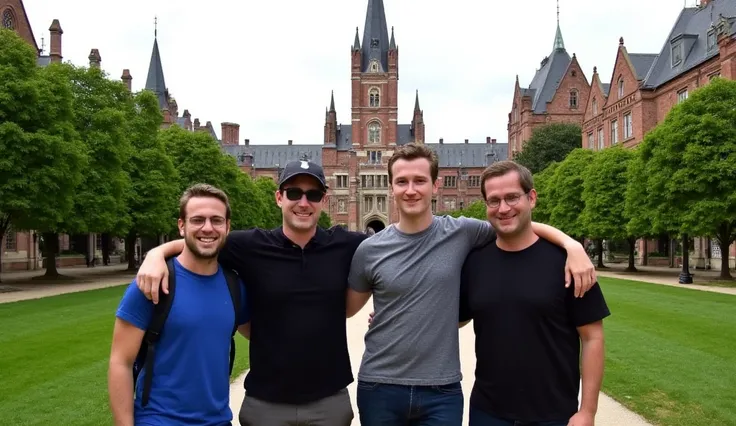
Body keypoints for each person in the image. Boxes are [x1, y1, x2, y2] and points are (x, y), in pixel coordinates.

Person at [345, 144, 597, 426]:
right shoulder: (370, 249)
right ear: (391, 187)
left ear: (436, 185)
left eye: (420, 180)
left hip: (441, 391)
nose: (411, 189)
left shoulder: (462, 232)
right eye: (402, 181)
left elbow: (513, 222)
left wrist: (571, 244)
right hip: (380, 386)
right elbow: (346, 309)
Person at [135, 160, 362, 426]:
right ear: (279, 197)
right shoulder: (250, 246)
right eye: (293, 193)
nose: (303, 202)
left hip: (329, 403)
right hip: (266, 405)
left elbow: (393, 250)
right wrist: (156, 253)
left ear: (324, 200)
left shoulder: (346, 245)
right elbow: (203, 239)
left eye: (312, 195)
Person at [459, 161, 610, 426]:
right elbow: (453, 318)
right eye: (494, 201)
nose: (503, 208)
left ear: (532, 198)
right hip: (488, 412)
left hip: (552, 414)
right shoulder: (474, 262)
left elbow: (593, 338)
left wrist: (588, 411)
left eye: (512, 197)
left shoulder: (570, 264)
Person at [107, 184, 250, 425]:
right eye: (198, 220)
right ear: (181, 226)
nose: (207, 228)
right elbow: (120, 361)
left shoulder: (235, 286)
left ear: (227, 227)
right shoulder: (153, 283)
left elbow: (265, 336)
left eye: (216, 220)